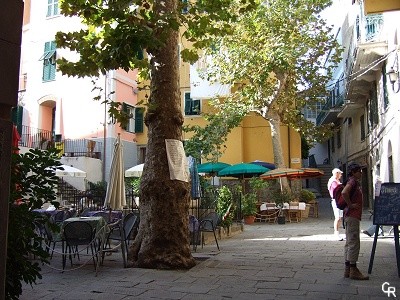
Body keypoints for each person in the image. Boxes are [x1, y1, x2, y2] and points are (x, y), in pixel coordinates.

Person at [342, 162, 369, 280]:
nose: (361, 173)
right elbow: (344, 193)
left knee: (349, 242)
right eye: (359, 171)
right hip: (352, 216)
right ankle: (353, 270)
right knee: (353, 242)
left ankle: (347, 269)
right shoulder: (352, 181)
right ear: (353, 172)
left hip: (349, 216)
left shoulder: (352, 181)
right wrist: (350, 205)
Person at [327, 168, 344, 241]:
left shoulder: (336, 181)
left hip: (339, 200)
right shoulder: (333, 182)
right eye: (340, 174)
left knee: (339, 217)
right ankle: (336, 233)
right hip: (336, 201)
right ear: (336, 173)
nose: (341, 175)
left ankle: (337, 233)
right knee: (337, 218)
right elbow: (337, 190)